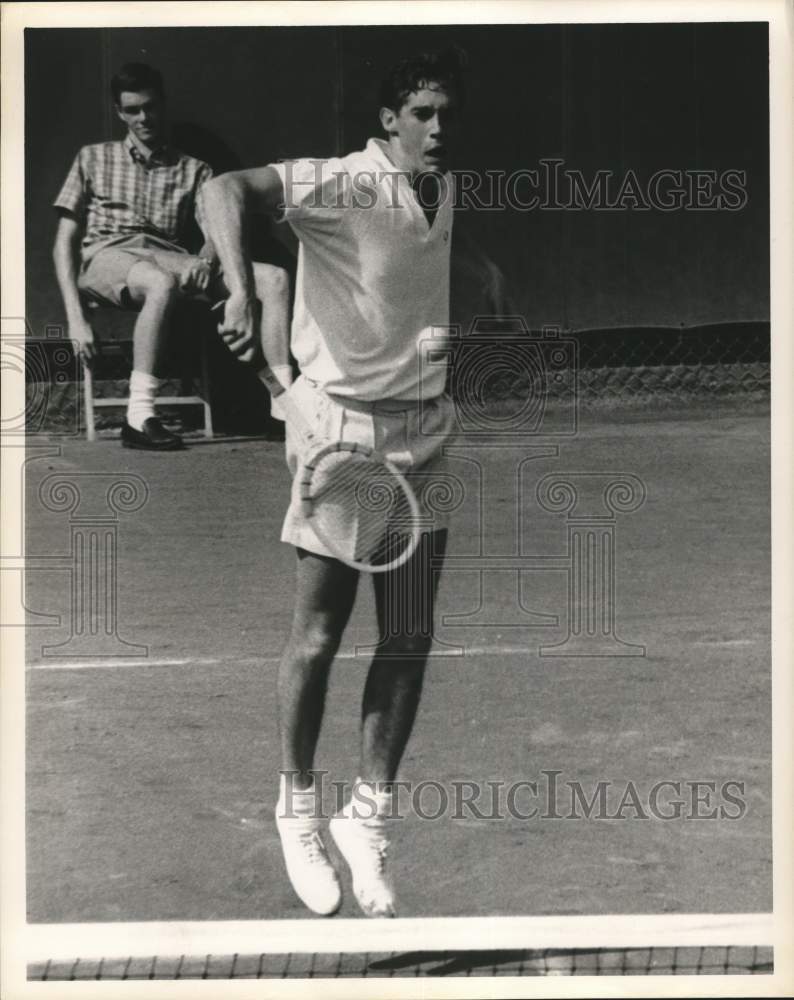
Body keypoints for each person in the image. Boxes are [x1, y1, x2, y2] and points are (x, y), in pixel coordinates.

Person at [201, 46, 465, 917]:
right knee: (319, 636)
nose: (438, 127)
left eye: (447, 113)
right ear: (388, 120)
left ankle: (369, 818)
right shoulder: (341, 181)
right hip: (345, 437)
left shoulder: (445, 188)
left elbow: (401, 278)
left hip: (427, 431)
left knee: (410, 636)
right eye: (422, 113)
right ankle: (298, 810)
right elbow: (222, 191)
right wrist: (241, 289)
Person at [53, 62, 289, 450]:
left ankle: (284, 410)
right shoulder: (92, 158)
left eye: (150, 107)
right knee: (158, 283)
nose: (143, 118)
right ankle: (139, 417)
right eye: (132, 110)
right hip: (106, 254)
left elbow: (217, 230)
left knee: (274, 279)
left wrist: (206, 257)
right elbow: (64, 242)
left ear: (163, 105)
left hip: (168, 256)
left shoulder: (195, 169)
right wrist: (75, 318)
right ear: (119, 112)